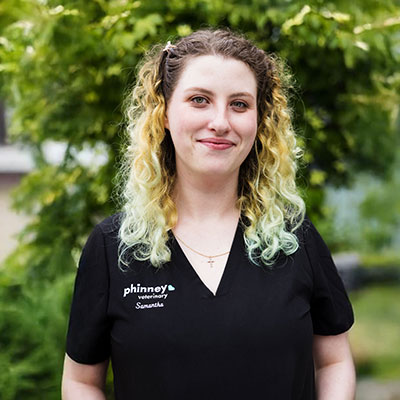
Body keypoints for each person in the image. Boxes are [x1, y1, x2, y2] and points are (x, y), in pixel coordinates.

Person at [61, 28, 355, 399]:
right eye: (200, 100)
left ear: (259, 122)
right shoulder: (112, 247)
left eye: (240, 104)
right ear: (164, 113)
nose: (220, 122)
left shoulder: (295, 239)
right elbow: (80, 382)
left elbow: (334, 362)